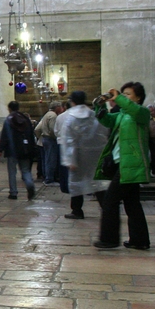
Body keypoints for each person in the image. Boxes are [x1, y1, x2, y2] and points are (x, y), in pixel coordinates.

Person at [93, 82, 151, 250]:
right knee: (132, 203)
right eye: (123, 94)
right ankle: (139, 240)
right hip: (122, 163)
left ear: (138, 98)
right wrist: (99, 108)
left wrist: (117, 97)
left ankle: (109, 239)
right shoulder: (122, 115)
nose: (124, 97)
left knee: (110, 200)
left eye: (128, 94)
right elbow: (106, 121)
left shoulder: (141, 113)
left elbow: (133, 110)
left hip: (131, 164)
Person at [58, 91, 109, 219]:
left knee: (76, 183)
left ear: (71, 101)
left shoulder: (70, 118)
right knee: (97, 182)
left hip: (78, 155)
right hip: (94, 154)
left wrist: (70, 160)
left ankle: (77, 210)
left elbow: (69, 140)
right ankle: (107, 209)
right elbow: (102, 132)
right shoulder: (92, 115)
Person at [0, 101, 37, 201]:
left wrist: (0, 149)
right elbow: (31, 135)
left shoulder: (8, 120)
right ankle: (29, 185)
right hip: (24, 149)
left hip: (12, 150)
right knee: (25, 170)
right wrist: (31, 148)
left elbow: (4, 136)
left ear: (9, 109)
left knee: (12, 172)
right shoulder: (25, 119)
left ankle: (13, 193)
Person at [34, 102, 61, 185]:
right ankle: (49, 179)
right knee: (51, 160)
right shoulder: (53, 116)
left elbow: (37, 129)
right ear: (56, 107)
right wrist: (57, 137)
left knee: (47, 159)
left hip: (45, 139)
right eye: (60, 107)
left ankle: (47, 177)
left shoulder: (47, 114)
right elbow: (53, 130)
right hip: (50, 139)